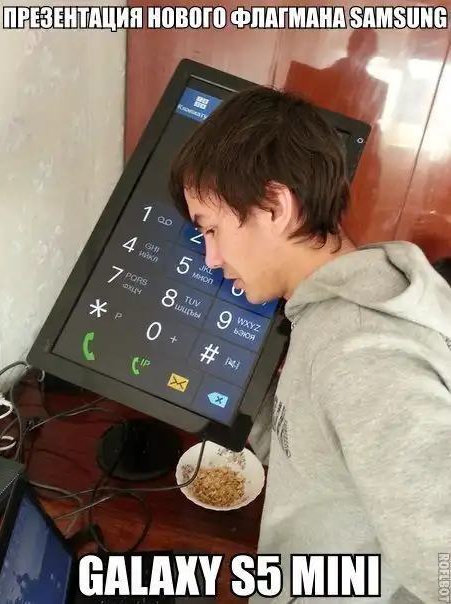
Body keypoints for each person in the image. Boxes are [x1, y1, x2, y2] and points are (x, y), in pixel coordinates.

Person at [168, 86, 451, 604]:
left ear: (275, 206)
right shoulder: (330, 308)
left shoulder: (363, 355)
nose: (211, 258)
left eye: (211, 230)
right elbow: (321, 452)